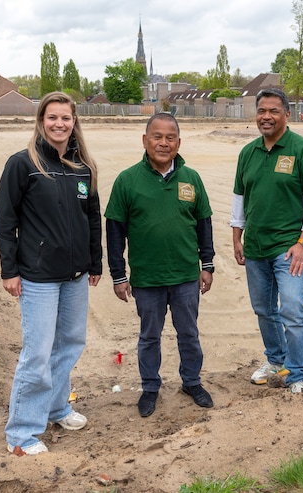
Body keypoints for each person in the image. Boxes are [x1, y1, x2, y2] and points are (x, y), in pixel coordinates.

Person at [0, 92, 102, 456]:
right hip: (37, 276)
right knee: (37, 353)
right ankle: (21, 433)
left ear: (74, 122)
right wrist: (10, 270)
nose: (59, 124)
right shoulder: (23, 164)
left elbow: (92, 219)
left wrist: (95, 262)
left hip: (75, 276)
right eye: (52, 117)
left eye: (65, 118)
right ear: (41, 121)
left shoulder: (83, 167)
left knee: (69, 344)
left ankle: (57, 409)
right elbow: (4, 221)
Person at [105, 112, 215, 418]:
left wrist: (207, 264)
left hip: (185, 276)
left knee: (189, 334)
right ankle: (150, 387)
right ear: (145, 140)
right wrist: (118, 275)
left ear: (178, 143)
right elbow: (114, 232)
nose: (163, 143)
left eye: (170, 138)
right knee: (149, 336)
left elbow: (204, 224)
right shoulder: (127, 181)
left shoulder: (191, 179)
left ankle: (191, 382)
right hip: (147, 278)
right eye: (157, 137)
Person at [231, 88, 303, 394]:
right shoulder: (248, 152)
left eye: (273, 111)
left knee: (293, 309)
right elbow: (240, 198)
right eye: (262, 110)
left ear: (287, 114)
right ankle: (276, 360)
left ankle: (297, 375)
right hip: (255, 247)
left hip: (289, 248)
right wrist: (237, 237)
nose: (266, 116)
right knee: (264, 309)